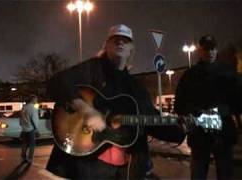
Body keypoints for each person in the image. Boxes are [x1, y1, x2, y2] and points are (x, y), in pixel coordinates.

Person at [46, 24, 185, 179]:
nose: (120, 43)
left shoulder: (136, 87)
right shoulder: (93, 68)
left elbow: (150, 120)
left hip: (127, 167)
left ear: (131, 49)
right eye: (115, 39)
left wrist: (180, 129)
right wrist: (86, 109)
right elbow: (58, 81)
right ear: (107, 46)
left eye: (125, 40)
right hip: (91, 164)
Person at [174, 35, 241, 179]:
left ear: (216, 50)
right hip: (199, 133)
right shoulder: (190, 75)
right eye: (206, 49)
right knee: (198, 173)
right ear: (200, 51)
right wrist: (191, 116)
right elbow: (179, 104)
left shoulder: (228, 73)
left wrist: (226, 112)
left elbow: (238, 100)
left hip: (223, 133)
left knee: (225, 173)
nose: (210, 52)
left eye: (213, 49)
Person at [19, 94, 40, 163]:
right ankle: (30, 158)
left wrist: (22, 125)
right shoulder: (33, 108)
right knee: (32, 145)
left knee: (24, 143)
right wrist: (36, 129)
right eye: (36, 99)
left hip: (24, 128)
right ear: (33, 99)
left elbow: (21, 118)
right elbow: (34, 119)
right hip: (31, 129)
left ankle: (23, 157)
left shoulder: (24, 107)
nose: (36, 101)